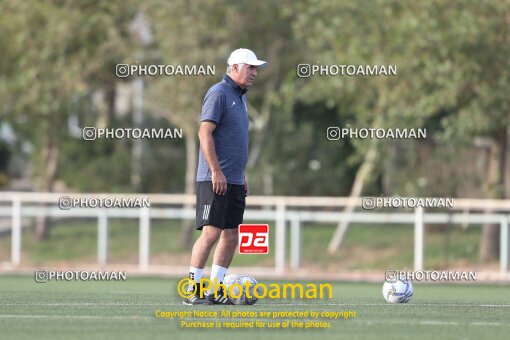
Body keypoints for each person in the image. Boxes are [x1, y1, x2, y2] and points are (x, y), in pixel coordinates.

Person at [183, 48, 267, 305]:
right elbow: (204, 134)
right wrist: (217, 171)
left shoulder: (240, 98)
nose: (254, 72)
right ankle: (193, 291)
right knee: (210, 234)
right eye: (250, 67)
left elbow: (234, 142)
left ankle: (216, 290)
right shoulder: (218, 93)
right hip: (213, 178)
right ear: (235, 67)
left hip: (233, 180)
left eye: (255, 68)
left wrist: (240, 175)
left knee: (231, 236)